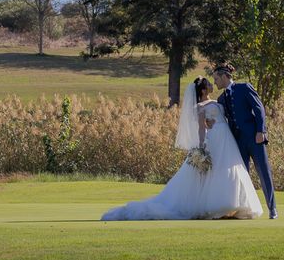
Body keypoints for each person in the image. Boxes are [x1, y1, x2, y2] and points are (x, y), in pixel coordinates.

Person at [100, 76, 263, 221]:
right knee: (215, 170)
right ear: (204, 89)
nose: (213, 84)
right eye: (209, 84)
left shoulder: (218, 100)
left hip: (226, 138)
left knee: (229, 168)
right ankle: (218, 205)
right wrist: (201, 146)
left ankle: (235, 204)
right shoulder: (200, 107)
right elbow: (201, 128)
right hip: (214, 139)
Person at [213, 62, 278, 219]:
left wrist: (261, 131)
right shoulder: (221, 99)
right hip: (237, 142)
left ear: (224, 76)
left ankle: (272, 208)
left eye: (216, 78)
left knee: (263, 171)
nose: (215, 82)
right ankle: (245, 209)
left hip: (254, 138)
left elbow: (259, 108)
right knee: (242, 176)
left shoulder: (244, 88)